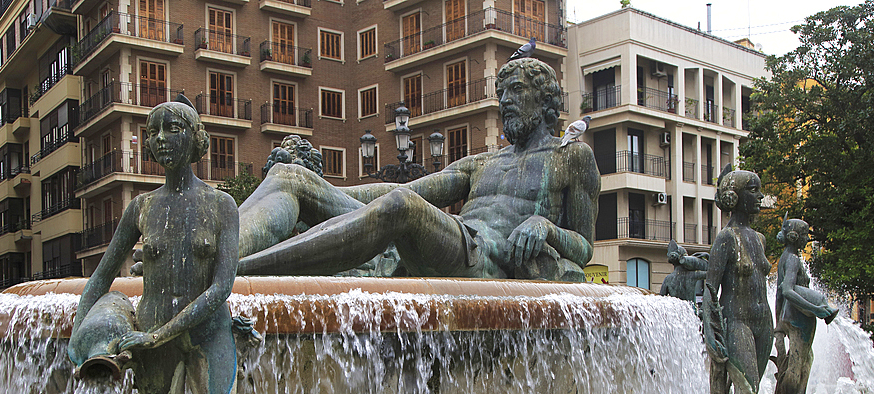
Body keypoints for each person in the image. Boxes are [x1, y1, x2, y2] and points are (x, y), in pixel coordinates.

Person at [234, 57, 600, 282]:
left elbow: (584, 248)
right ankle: (223, 253)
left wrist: (547, 227)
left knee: (402, 206)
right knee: (290, 176)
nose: (504, 101)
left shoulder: (571, 158)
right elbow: (411, 190)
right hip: (452, 239)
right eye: (501, 93)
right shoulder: (483, 162)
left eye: (516, 90)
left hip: (483, 258)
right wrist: (319, 190)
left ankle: (242, 272)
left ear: (545, 99)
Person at [69, 96, 241, 394]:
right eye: (154, 131)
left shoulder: (222, 206)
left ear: (195, 138)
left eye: (173, 129)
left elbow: (221, 287)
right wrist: (77, 336)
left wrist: (160, 333)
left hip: (206, 331)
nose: (161, 139)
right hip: (151, 335)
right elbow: (102, 275)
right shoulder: (142, 209)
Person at [698, 165, 773, 394]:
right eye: (753, 190)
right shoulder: (726, 239)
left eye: (758, 189)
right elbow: (709, 289)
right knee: (747, 390)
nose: (759, 196)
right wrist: (710, 329)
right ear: (735, 196)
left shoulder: (759, 239)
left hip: (763, 322)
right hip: (737, 322)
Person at [770, 217, 837, 394]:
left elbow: (780, 294)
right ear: (794, 236)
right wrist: (816, 308)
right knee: (797, 362)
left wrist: (779, 322)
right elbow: (787, 291)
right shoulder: (792, 259)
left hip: (792, 316)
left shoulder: (786, 257)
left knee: (806, 358)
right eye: (805, 234)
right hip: (798, 317)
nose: (807, 238)